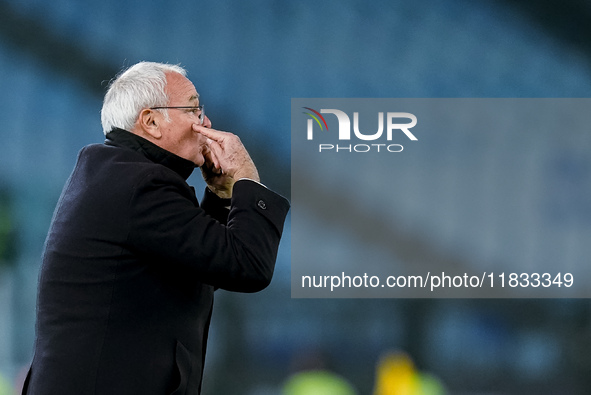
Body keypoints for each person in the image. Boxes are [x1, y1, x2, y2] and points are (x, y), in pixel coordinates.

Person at [22, 62, 290, 395]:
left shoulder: (118, 174)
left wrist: (222, 197)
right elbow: (248, 266)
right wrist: (247, 181)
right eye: (193, 109)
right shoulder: (141, 183)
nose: (204, 123)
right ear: (151, 121)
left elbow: (202, 266)